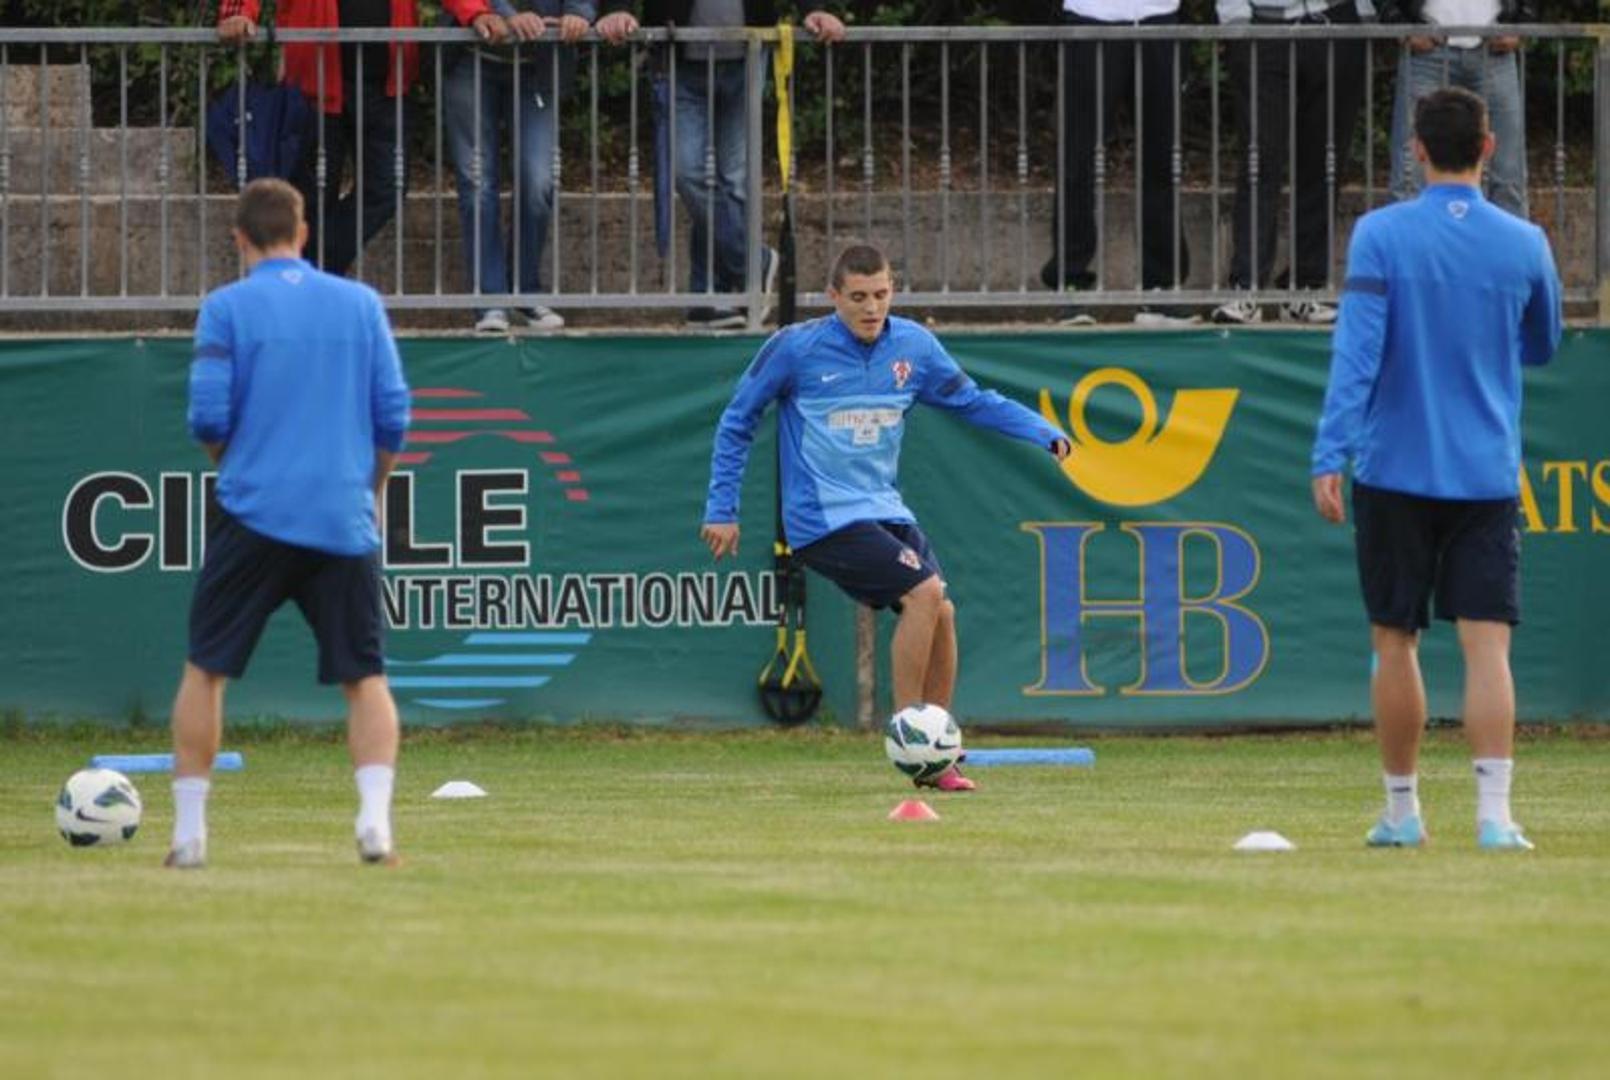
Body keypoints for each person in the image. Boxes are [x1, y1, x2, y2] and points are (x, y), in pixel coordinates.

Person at [700, 244, 1072, 791]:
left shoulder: (914, 347)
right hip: (821, 518)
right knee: (924, 592)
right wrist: (721, 508)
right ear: (833, 297)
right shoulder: (795, 348)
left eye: (880, 295)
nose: (871, 308)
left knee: (941, 610)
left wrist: (1041, 431)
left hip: (883, 507)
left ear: (892, 290)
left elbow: (973, 401)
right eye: (858, 297)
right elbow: (738, 419)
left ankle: (937, 756)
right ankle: (909, 738)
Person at [1310, 88, 1561, 850]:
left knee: (1395, 641)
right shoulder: (1526, 243)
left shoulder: (1380, 234)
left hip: (1393, 470)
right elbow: (1543, 342)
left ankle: (1401, 813)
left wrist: (1329, 451)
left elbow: (1357, 352)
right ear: (1488, 147)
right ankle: (1495, 818)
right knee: (1488, 647)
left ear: (1415, 149)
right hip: (1485, 472)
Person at [166, 179, 412, 869]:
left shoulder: (226, 309)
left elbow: (207, 418)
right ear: (303, 234)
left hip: (252, 511)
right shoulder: (360, 305)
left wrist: (241, 467)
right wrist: (368, 488)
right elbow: (393, 417)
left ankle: (189, 836)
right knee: (366, 676)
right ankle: (375, 827)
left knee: (206, 670)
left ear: (239, 239)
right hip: (341, 514)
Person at [596, 1, 845, 329]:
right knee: (687, 173)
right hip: (678, 54)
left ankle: (711, 297)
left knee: (735, 181)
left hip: (747, 54)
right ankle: (752, 264)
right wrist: (617, 8)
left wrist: (814, 8)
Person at [218, 0, 488, 277]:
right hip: (315, 81)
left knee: (387, 186)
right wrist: (237, 13)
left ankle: (311, 274)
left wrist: (476, 13)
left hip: (387, 84)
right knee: (314, 197)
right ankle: (312, 279)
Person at [1211, 0, 1372, 325]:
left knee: (1324, 162)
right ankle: (1247, 287)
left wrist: (1365, 16)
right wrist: (1235, 20)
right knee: (1259, 162)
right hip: (1262, 27)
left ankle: (1306, 287)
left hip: (1335, 21)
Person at [442, 0, 596, 334]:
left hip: (537, 66)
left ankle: (525, 291)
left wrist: (579, 13)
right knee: (477, 181)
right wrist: (507, 15)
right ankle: (490, 300)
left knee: (538, 180)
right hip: (471, 57)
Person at [1041, 0, 1195, 328]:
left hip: (1158, 18)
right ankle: (1071, 284)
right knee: (1077, 159)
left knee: (1161, 160)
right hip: (1091, 17)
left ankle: (1160, 290)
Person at [1386, 0, 1530, 218]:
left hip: (1494, 49)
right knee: (1409, 172)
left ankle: (1509, 243)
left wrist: (1522, 24)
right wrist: (1399, 25)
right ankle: (1408, 241)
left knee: (1508, 174)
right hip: (1426, 52)